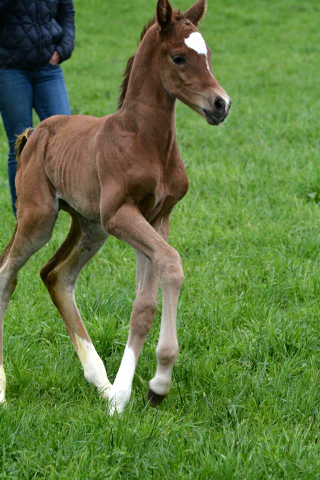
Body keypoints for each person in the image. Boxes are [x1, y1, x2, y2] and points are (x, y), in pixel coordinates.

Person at [0, 0, 75, 215]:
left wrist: (63, 49)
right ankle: (23, 214)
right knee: (21, 142)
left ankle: (75, 209)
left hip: (47, 69)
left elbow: (67, 13)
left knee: (66, 137)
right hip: (9, 69)